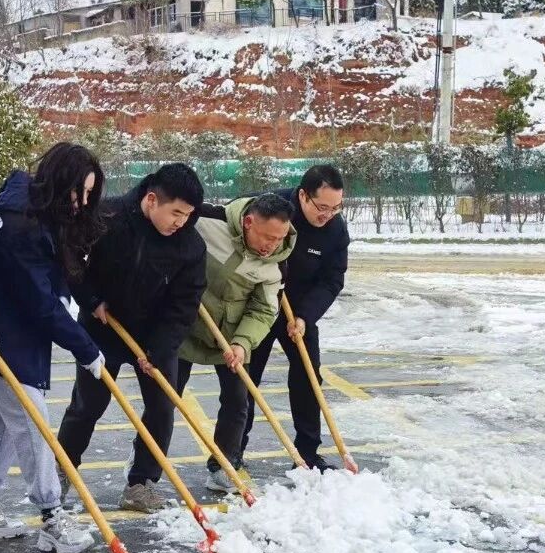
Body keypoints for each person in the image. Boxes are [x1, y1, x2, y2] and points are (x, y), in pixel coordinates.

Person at [0, 143, 107, 553]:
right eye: (79, 191)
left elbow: (49, 284)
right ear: (60, 180)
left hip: (1, 337)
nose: (82, 202)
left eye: (89, 194)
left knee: (1, 427)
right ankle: (52, 517)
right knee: (34, 427)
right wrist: (86, 349)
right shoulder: (21, 224)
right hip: (2, 342)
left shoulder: (33, 212)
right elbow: (41, 302)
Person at [57, 163, 207, 513]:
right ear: (152, 200)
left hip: (155, 336)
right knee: (88, 405)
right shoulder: (106, 217)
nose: (181, 222)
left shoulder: (190, 245)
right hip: (102, 327)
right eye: (176, 213)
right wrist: (91, 299)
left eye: (188, 215)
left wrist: (161, 348)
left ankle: (141, 483)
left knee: (162, 408)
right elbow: (72, 262)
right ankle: (61, 472)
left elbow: (185, 303)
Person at [177, 192, 296, 493]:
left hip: (230, 334)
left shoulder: (276, 263)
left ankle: (223, 466)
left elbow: (264, 309)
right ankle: (144, 465)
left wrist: (243, 343)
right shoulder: (205, 220)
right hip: (182, 323)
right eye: (267, 237)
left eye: (279, 238)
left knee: (237, 401)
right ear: (248, 222)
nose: (272, 246)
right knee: (164, 398)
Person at [240, 164, 349, 471]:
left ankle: (308, 454)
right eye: (322, 207)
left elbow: (333, 279)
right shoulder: (271, 209)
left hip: (298, 310)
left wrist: (305, 316)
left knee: (308, 376)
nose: (328, 215)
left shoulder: (335, 229)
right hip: (258, 307)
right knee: (246, 381)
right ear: (303, 195)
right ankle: (230, 454)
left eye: (336, 208)